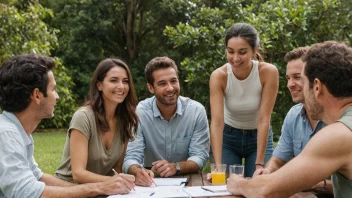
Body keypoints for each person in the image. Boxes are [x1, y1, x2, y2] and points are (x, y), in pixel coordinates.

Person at [227, 41, 352, 198]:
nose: (291, 85)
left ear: (317, 87)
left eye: (303, 81)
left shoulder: (340, 134)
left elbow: (266, 191)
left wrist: (238, 183)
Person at [0, 54, 134, 197]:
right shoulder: (6, 134)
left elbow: (38, 176)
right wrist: (98, 189)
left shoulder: (18, 132)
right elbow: (26, 192)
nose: (57, 96)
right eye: (53, 89)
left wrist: (96, 190)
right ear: (37, 95)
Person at [253, 47, 333, 196]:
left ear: (315, 80)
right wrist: (267, 171)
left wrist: (317, 184)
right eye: (288, 78)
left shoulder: (337, 117)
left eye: (297, 77)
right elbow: (277, 160)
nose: (290, 84)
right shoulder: (293, 115)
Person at [123, 56, 210, 186]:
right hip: (150, 181)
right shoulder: (140, 113)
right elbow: (131, 157)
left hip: (188, 179)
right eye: (162, 83)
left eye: (173, 81)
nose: (170, 88)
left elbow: (199, 158)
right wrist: (137, 171)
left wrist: (176, 167)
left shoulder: (196, 111)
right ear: (150, 88)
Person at [209, 22, 278, 177]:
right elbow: (217, 123)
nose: (235, 58)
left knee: (258, 182)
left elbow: (264, 119)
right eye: (230, 51)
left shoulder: (268, 72)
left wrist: (259, 164)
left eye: (242, 52)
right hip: (228, 138)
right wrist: (218, 166)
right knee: (224, 183)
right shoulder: (219, 76)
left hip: (258, 138)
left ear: (254, 51)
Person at [55, 58, 139, 183]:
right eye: (113, 80)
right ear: (99, 85)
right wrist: (116, 181)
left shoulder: (125, 120)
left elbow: (116, 170)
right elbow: (78, 174)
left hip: (100, 190)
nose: (121, 86)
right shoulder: (83, 117)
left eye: (125, 81)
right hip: (69, 188)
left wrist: (136, 177)